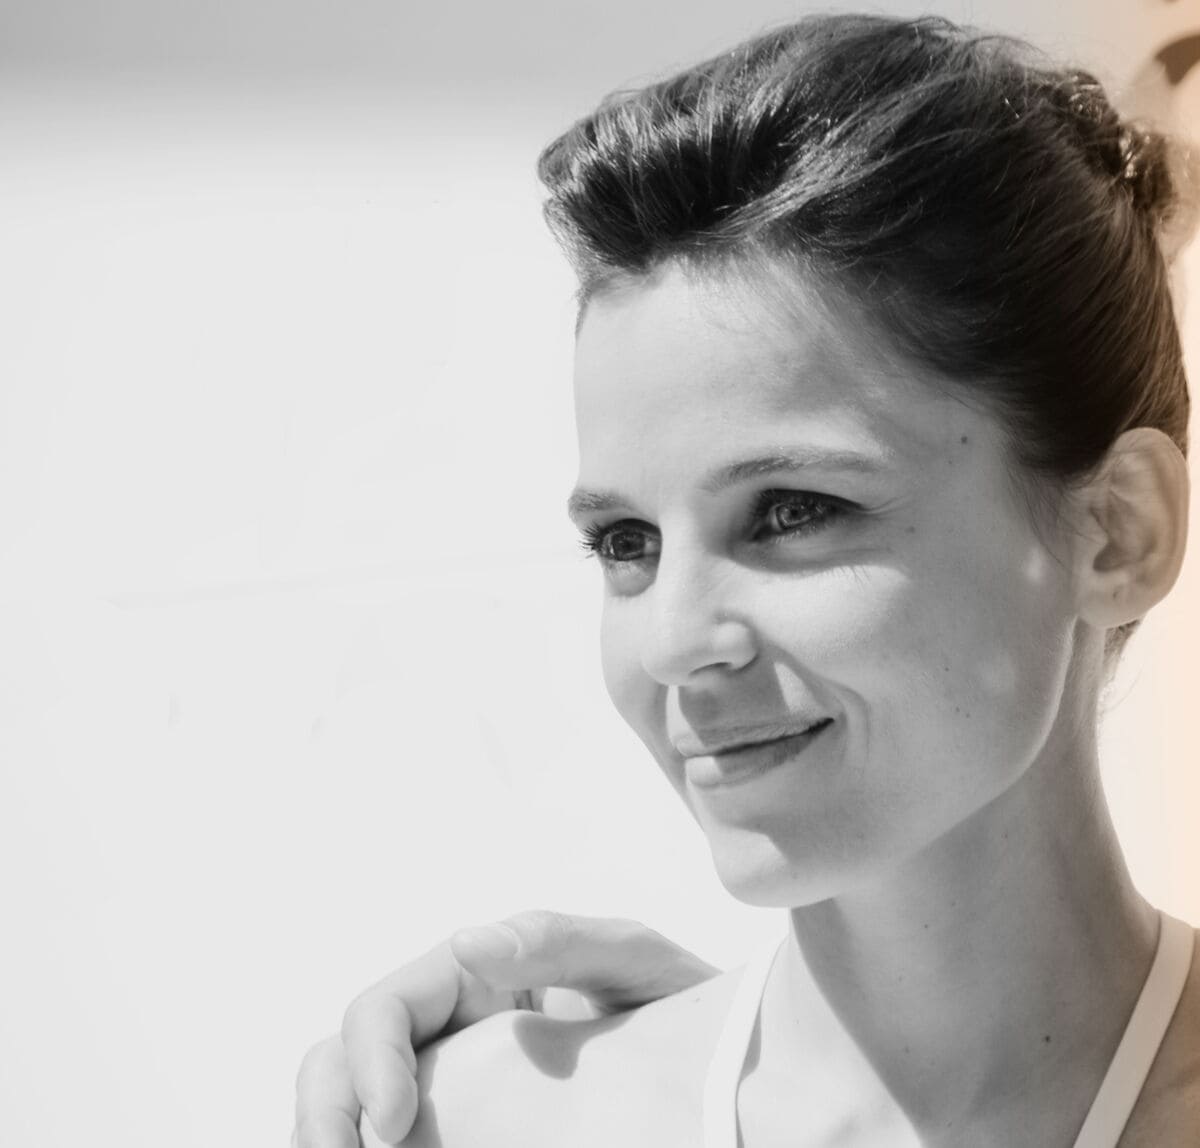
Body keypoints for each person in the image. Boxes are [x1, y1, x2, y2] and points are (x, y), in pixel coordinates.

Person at [293, 12, 1200, 1147]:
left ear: (1119, 532)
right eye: (626, 541)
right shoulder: (479, 1122)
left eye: (791, 511)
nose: (674, 640)